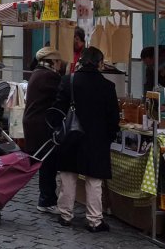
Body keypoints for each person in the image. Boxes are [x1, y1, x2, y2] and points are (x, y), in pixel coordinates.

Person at [52, 47, 119, 232]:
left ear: (81, 61)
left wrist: (58, 130)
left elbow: (57, 110)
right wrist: (109, 136)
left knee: (68, 176)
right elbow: (113, 117)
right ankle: (94, 220)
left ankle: (65, 215)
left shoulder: (68, 81)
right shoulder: (107, 86)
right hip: (96, 139)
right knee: (94, 180)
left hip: (71, 136)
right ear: (100, 63)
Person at [22, 47, 64, 214]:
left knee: (45, 162)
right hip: (41, 124)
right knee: (48, 163)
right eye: (59, 61)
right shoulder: (49, 76)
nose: (61, 64)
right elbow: (63, 94)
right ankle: (46, 200)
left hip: (34, 123)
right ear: (52, 61)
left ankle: (47, 198)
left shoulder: (38, 73)